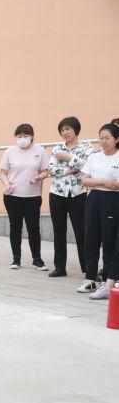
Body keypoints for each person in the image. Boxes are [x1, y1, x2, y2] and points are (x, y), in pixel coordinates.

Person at [0, 124, 49, 270]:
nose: (22, 139)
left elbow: (45, 171)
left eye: (26, 136)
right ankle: (16, 259)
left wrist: (38, 177)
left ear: (32, 136)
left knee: (33, 227)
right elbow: (3, 172)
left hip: (32, 196)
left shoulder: (40, 151)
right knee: (15, 227)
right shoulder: (10, 151)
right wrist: (7, 184)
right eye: (19, 136)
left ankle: (37, 259)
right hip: (12, 195)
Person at [48, 116, 92, 278]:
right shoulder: (57, 147)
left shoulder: (86, 147)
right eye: (62, 130)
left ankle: (87, 267)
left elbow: (87, 165)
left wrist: (68, 158)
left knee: (82, 231)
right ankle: (60, 267)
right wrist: (70, 170)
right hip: (57, 194)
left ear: (76, 130)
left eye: (68, 129)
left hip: (78, 193)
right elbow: (51, 169)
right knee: (59, 231)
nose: (65, 132)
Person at [78, 124, 119, 298]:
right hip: (93, 199)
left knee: (109, 240)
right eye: (101, 137)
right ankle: (90, 277)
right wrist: (103, 182)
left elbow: (116, 185)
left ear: (116, 139)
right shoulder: (94, 157)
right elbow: (84, 181)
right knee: (91, 238)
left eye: (107, 138)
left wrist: (101, 183)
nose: (103, 141)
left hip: (112, 200)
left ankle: (107, 278)